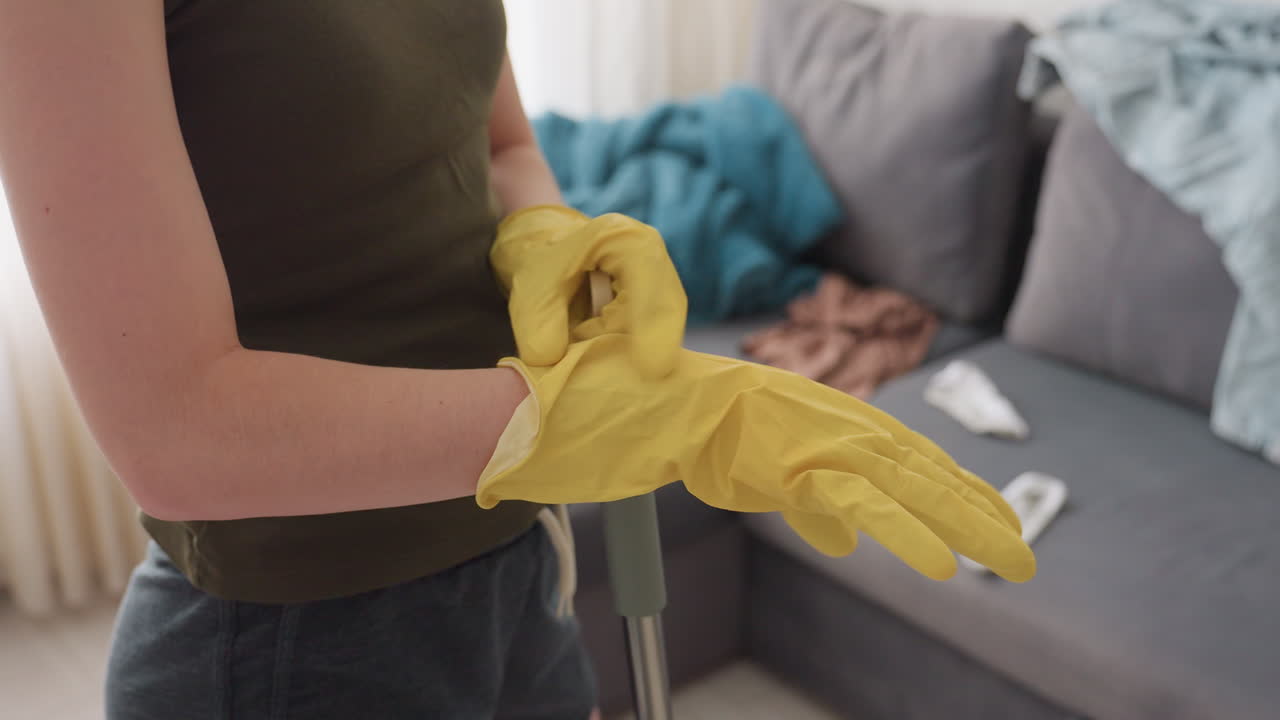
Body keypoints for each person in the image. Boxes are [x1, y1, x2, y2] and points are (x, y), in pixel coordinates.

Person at [0, 2, 1035, 719]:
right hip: (288, 644)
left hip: (509, 569)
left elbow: (498, 144)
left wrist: (548, 236)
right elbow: (178, 432)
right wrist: (605, 422)